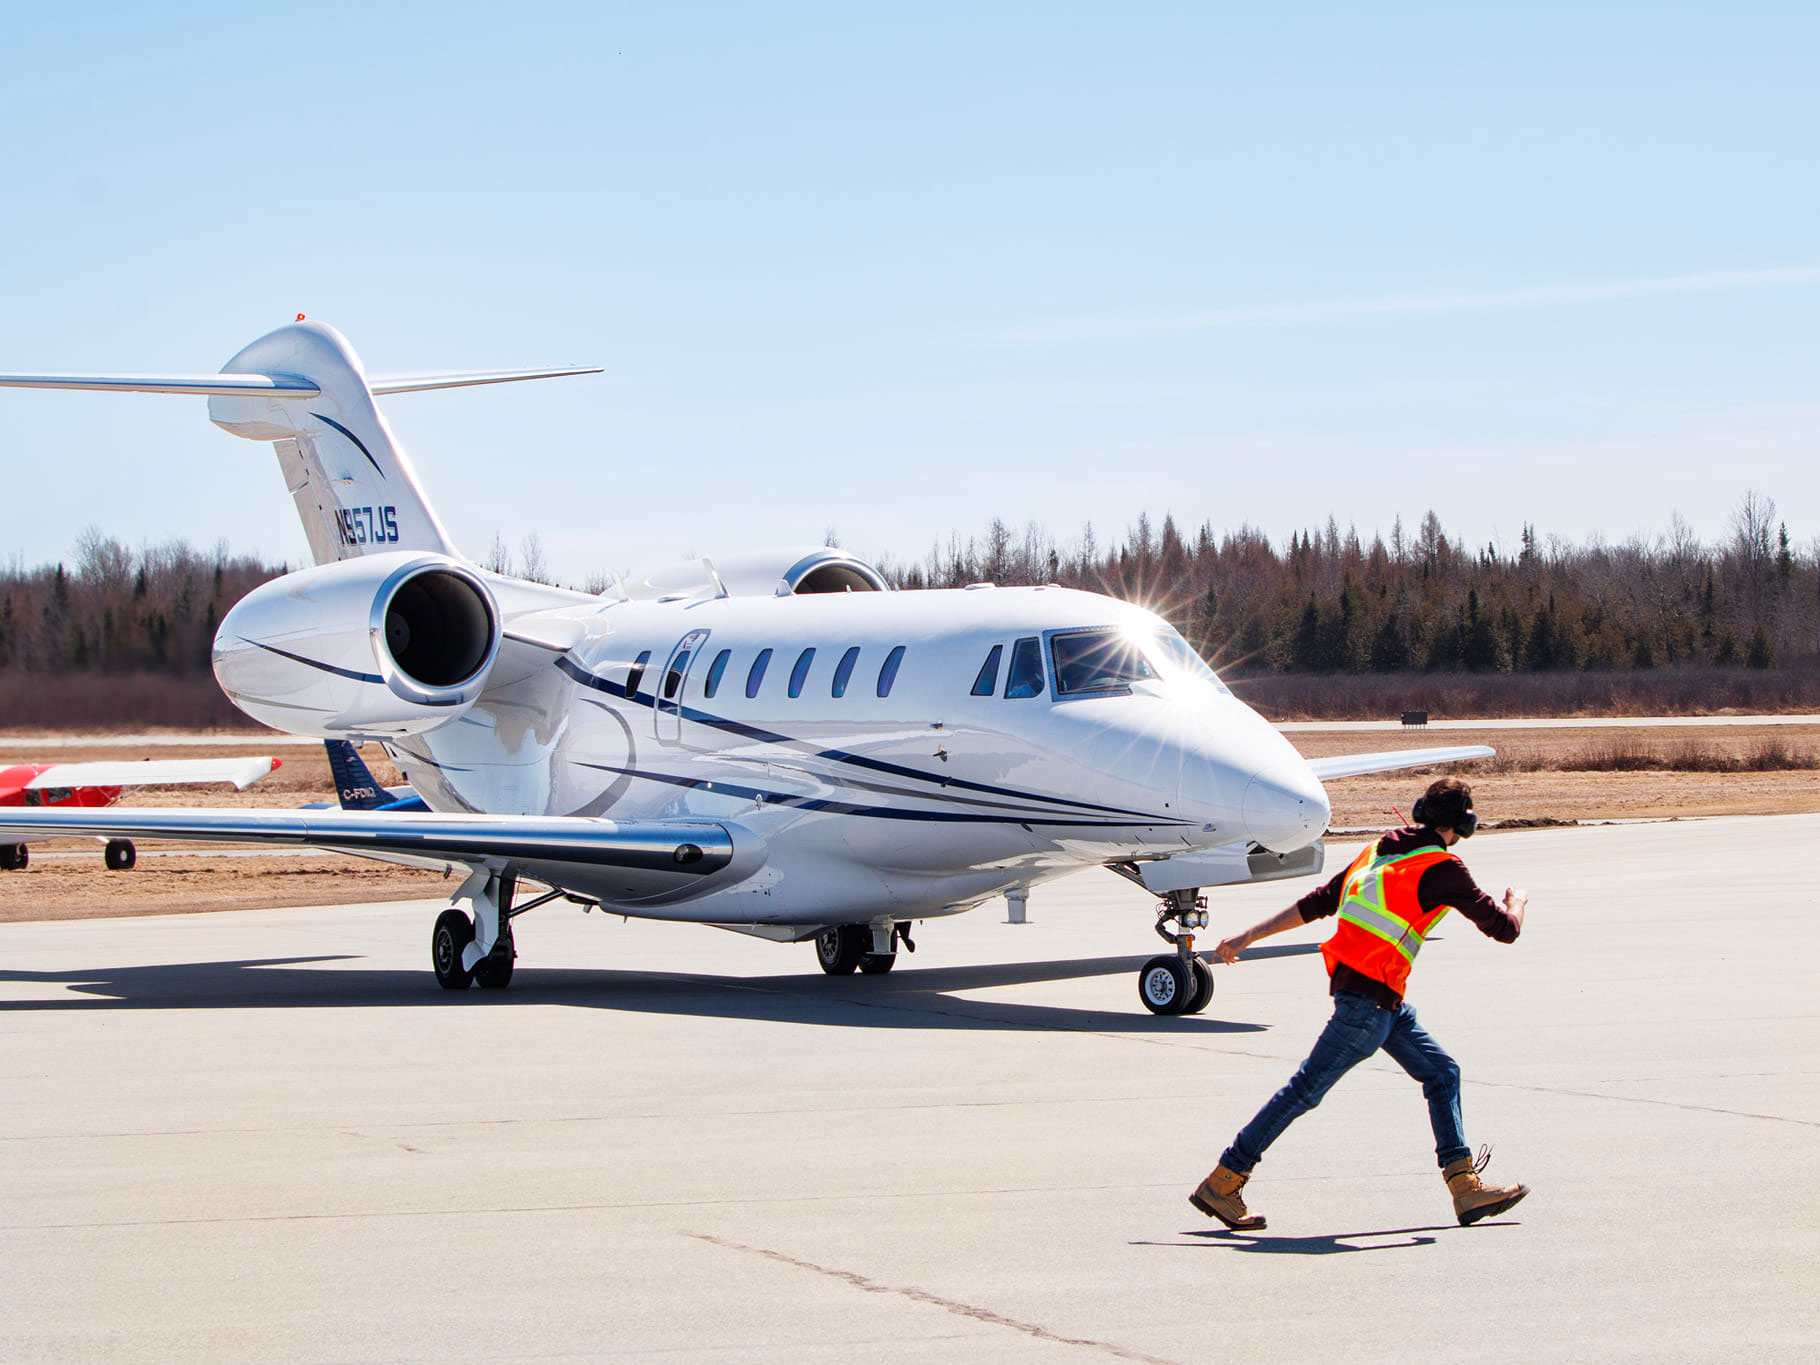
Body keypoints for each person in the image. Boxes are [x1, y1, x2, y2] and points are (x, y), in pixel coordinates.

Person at [1189, 776, 1530, 1230]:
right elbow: (1504, 928)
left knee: (1441, 1071)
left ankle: (1464, 1187)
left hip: (1378, 1000)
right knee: (1304, 1090)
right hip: (1368, 1006)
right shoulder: (1444, 867)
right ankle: (1226, 1178)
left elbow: (1318, 903)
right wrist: (1517, 901)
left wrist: (1250, 934)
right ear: (1464, 824)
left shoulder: (1377, 851)